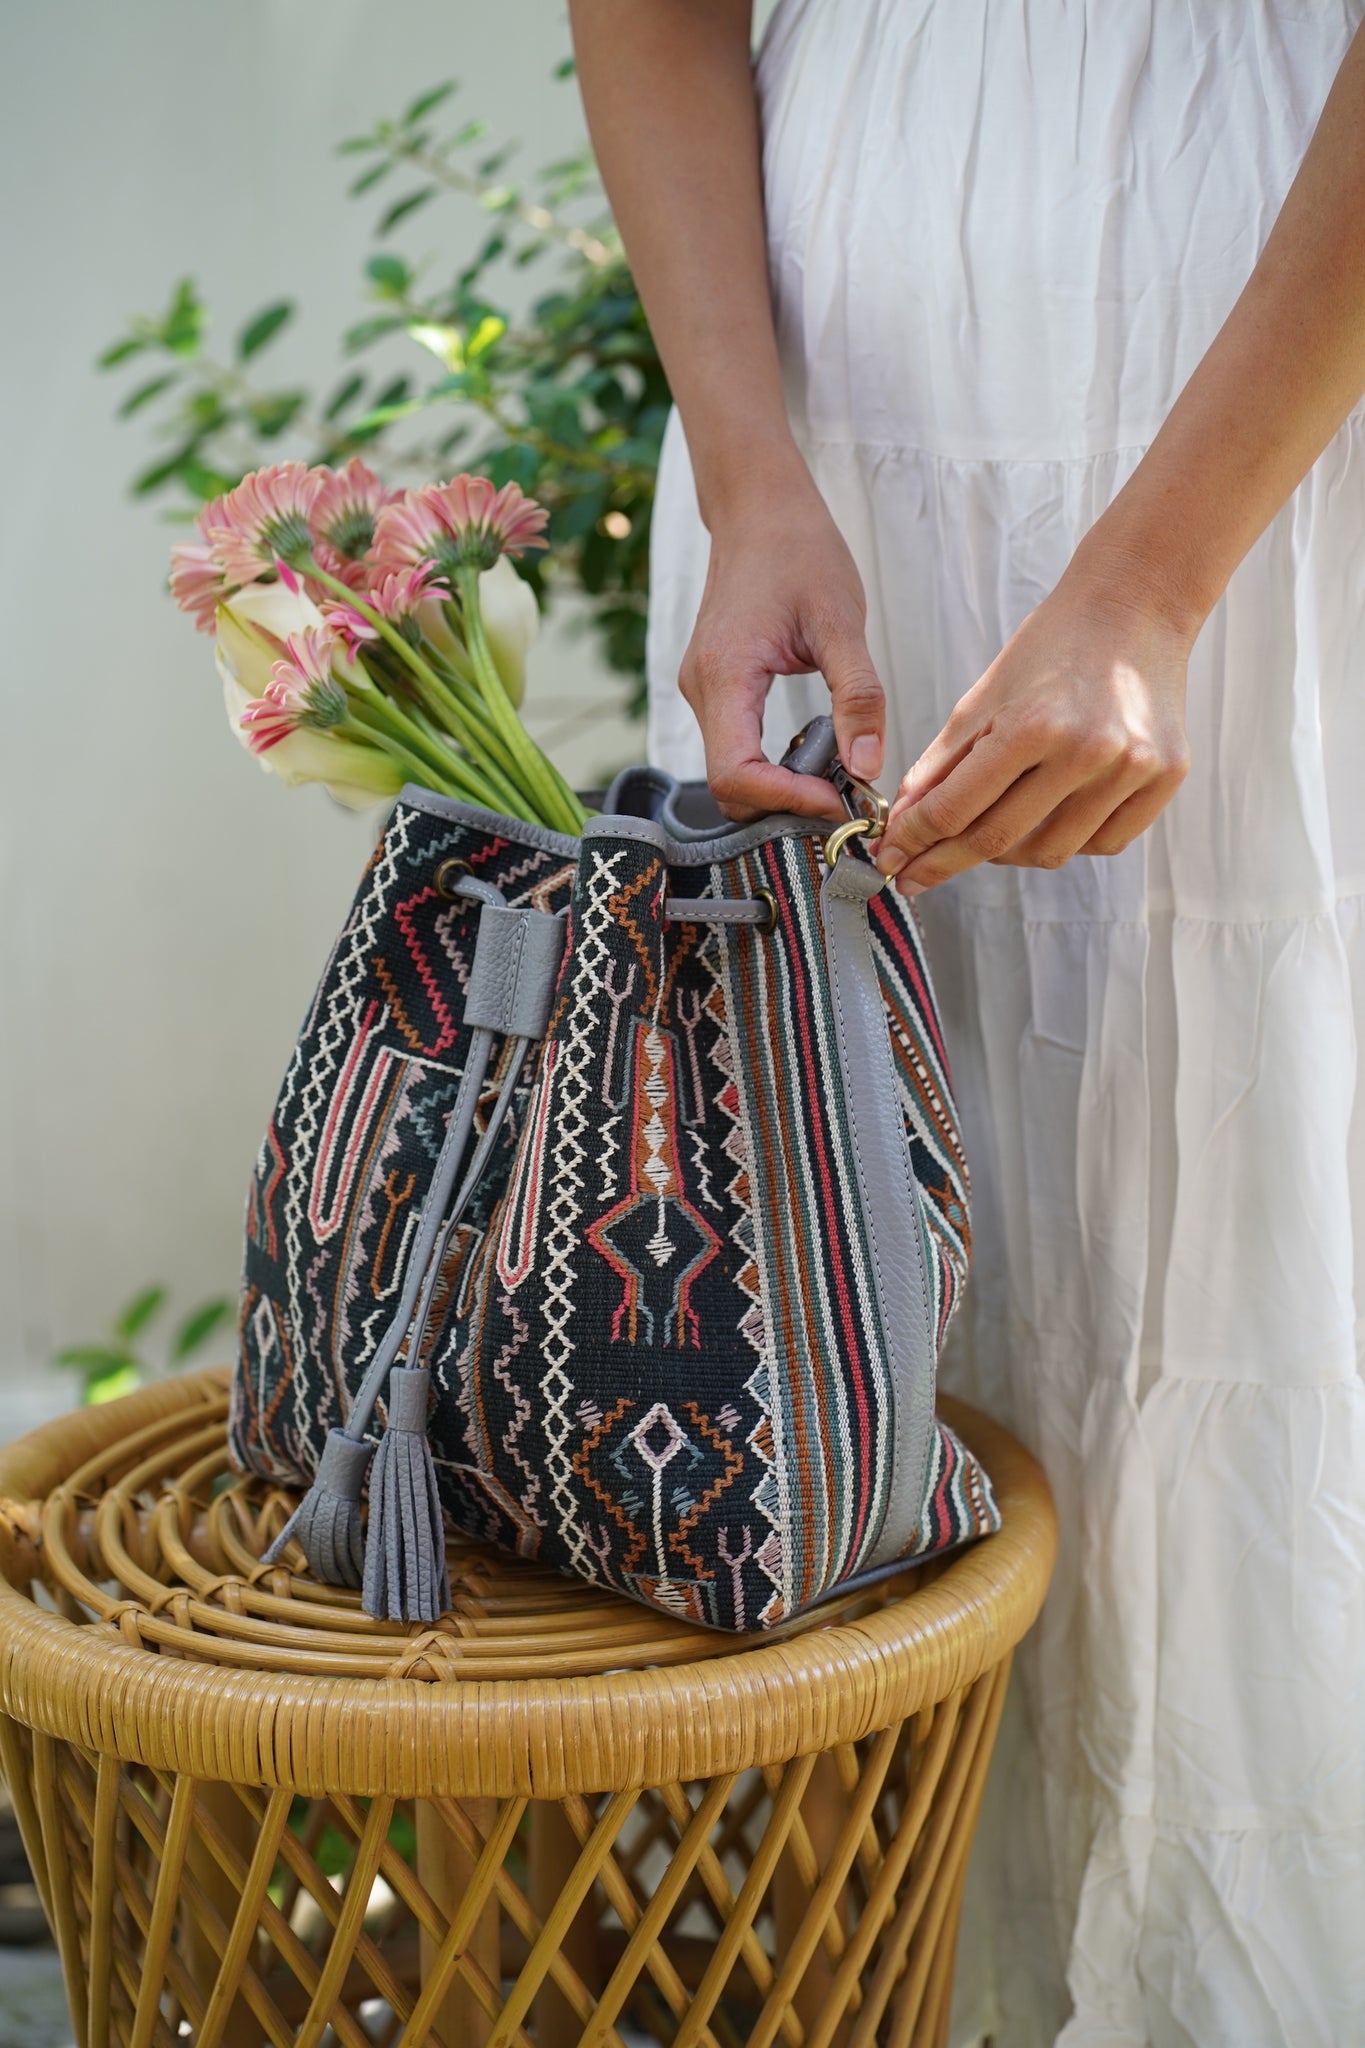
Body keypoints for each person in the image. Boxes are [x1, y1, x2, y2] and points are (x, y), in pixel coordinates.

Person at [567, 3, 1365, 2042]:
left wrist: (1156, 583)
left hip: (1271, 384)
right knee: (890, 1283)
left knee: (1252, 1264)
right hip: (831, 418)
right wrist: (747, 466)